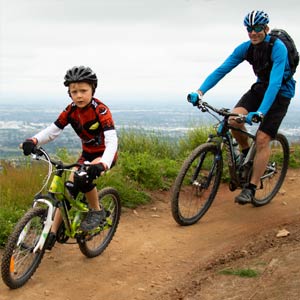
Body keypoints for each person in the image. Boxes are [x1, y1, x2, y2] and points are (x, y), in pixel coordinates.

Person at [188, 10, 296, 205]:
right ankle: (247, 156)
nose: (253, 33)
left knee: (263, 138)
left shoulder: (277, 48)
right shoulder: (246, 48)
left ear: (266, 29)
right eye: (249, 29)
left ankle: (251, 188)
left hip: (281, 93)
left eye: (257, 29)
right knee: (233, 119)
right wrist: (200, 92)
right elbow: (222, 70)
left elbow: (275, 83)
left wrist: (260, 113)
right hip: (260, 88)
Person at [21, 66, 118, 249]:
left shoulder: (101, 110)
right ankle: (52, 232)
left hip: (104, 155)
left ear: (92, 90)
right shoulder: (71, 110)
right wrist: (34, 140)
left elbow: (112, 140)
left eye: (83, 91)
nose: (79, 95)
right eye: (74, 92)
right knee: (68, 189)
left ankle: (96, 211)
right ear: (69, 93)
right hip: (87, 155)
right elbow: (53, 131)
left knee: (84, 176)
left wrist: (104, 163)